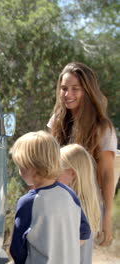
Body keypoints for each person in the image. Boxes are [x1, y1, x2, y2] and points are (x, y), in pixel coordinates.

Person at [48, 62, 117, 246]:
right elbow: (47, 163)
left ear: (87, 91)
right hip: (56, 203)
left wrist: (106, 218)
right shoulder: (56, 121)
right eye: (64, 88)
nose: (68, 94)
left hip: (85, 207)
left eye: (75, 89)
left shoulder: (102, 128)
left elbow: (107, 175)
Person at [9, 131, 91, 264]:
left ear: (33, 166)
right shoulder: (70, 195)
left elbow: (17, 249)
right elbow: (84, 232)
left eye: (21, 165)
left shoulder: (28, 202)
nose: (19, 171)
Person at [59, 144, 102, 264]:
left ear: (72, 173)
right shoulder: (90, 204)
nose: (52, 174)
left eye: (57, 169)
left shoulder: (70, 205)